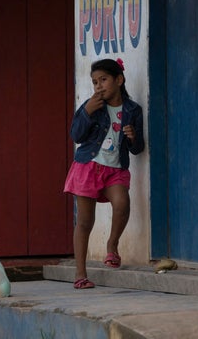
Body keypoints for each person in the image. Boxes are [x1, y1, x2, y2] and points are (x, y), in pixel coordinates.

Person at [64, 58, 145, 289]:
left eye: (103, 80)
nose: (98, 86)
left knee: (122, 202)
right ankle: (80, 274)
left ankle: (112, 245)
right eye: (94, 82)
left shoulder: (132, 110)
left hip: (115, 169)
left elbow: (138, 149)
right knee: (85, 222)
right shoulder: (91, 106)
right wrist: (87, 112)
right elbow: (76, 136)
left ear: (118, 80)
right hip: (88, 167)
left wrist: (132, 138)